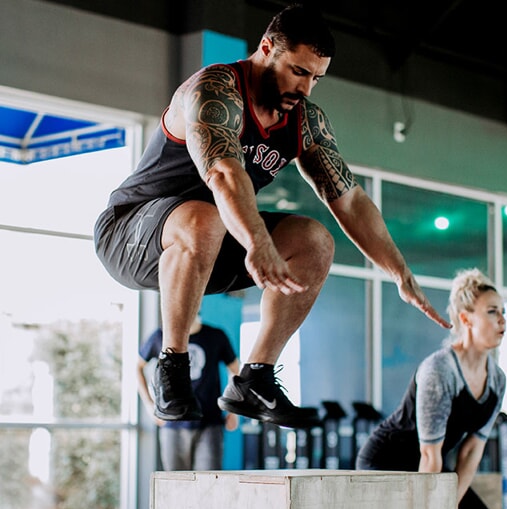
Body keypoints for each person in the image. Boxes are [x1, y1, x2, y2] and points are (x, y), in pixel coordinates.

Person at [94, 3, 451, 430]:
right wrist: (258, 242)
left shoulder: (304, 121)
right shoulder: (216, 91)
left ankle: (255, 378)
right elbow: (224, 173)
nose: (305, 89)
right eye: (298, 71)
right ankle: (172, 366)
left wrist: (398, 271)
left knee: (314, 240)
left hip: (210, 238)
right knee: (204, 217)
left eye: (316, 77)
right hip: (130, 232)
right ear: (266, 49)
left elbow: (351, 201)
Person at [355, 268, 507, 509]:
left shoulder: (497, 381)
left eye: (503, 312)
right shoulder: (440, 370)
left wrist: (449, 504)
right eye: (492, 312)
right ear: (465, 319)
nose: (502, 320)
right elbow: (429, 453)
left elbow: (471, 450)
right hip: (387, 463)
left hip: (434, 467)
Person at [137, 314, 240, 470]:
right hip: (172, 423)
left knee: (209, 484)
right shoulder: (161, 336)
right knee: (176, 485)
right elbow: (138, 367)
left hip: (210, 422)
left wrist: (234, 409)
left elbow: (235, 369)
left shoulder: (216, 335)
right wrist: (149, 405)